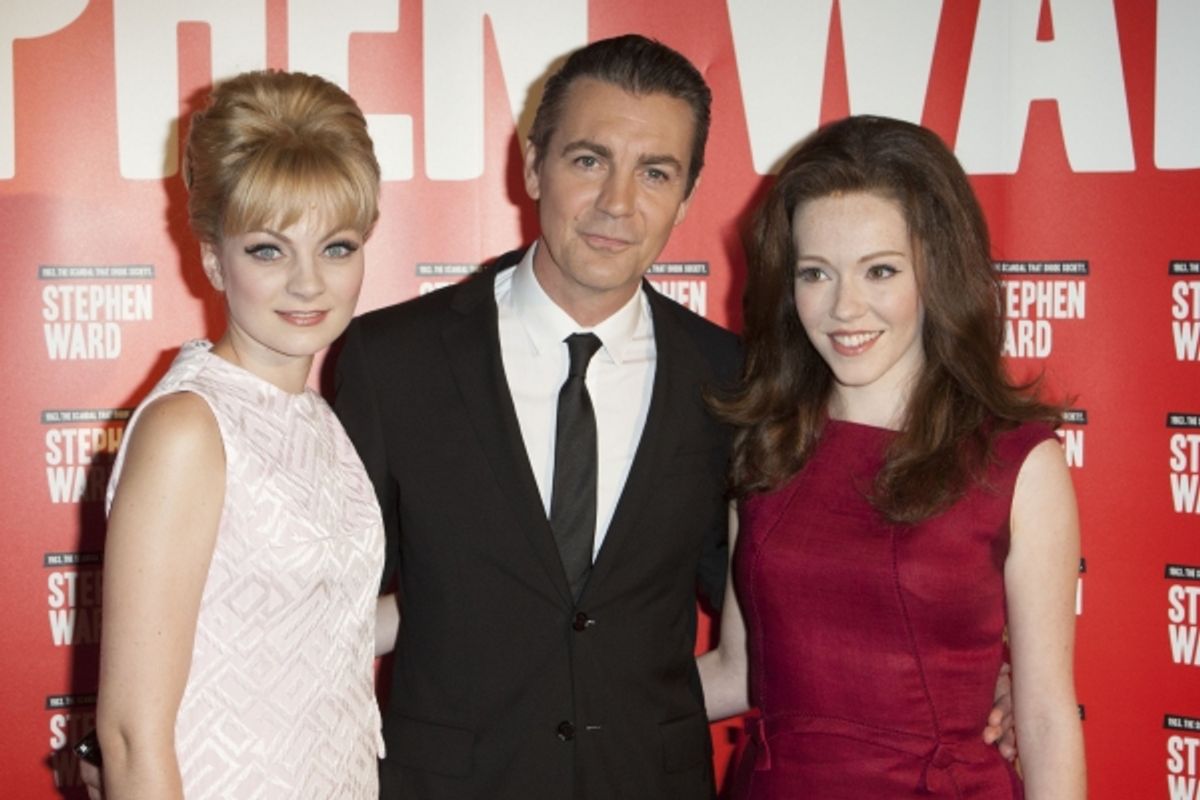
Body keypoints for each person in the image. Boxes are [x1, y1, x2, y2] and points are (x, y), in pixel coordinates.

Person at [337, 38, 1013, 800]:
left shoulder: (736, 381)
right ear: (532, 165)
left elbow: (803, 603)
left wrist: (988, 685)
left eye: (655, 172)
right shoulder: (392, 360)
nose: (618, 203)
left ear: (687, 196)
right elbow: (327, 604)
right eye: (589, 160)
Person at [698, 115, 1085, 798]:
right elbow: (738, 672)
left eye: (880, 271)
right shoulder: (766, 446)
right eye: (816, 273)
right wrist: (558, 703)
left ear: (937, 271)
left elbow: (1047, 718)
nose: (845, 308)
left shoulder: (1016, 464)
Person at [92, 70, 386, 799]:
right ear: (213, 258)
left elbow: (316, 630)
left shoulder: (316, 418)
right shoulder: (188, 429)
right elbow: (131, 736)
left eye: (338, 247)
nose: (309, 284)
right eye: (268, 250)